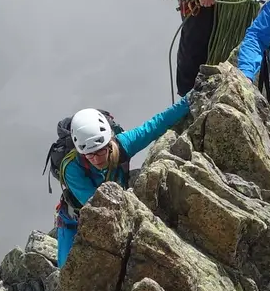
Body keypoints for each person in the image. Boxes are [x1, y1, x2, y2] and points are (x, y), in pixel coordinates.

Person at [52, 97, 191, 265]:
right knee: (66, 269)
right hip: (73, 220)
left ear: (110, 143)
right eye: (89, 155)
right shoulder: (71, 168)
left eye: (100, 151)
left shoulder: (123, 145)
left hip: (115, 204)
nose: (95, 159)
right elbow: (95, 203)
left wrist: (188, 101)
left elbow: (155, 125)